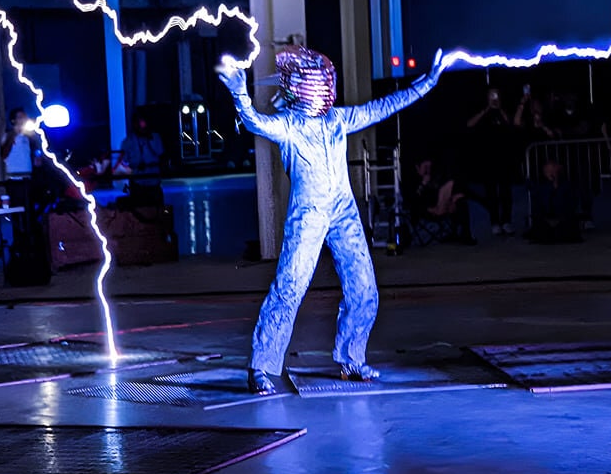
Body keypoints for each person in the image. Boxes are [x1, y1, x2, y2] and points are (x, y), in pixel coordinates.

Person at [217, 45, 447, 395]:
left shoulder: (337, 120)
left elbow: (381, 108)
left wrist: (426, 84)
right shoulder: (289, 126)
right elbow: (254, 122)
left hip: (343, 210)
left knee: (364, 286)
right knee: (289, 287)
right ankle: (261, 367)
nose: (324, 85)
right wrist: (238, 92)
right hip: (308, 214)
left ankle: (352, 359)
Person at [464, 87, 521, 235]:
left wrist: (499, 109)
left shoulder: (503, 111)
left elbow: (512, 124)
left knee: (505, 192)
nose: (494, 98)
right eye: (491, 96)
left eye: (496, 96)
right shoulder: (483, 112)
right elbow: (469, 124)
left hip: (504, 158)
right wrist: (487, 109)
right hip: (488, 159)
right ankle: (495, 222)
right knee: (491, 193)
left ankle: (507, 222)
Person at [408, 158, 471, 244]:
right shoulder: (413, 181)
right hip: (426, 210)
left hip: (441, 205)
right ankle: (462, 234)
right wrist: (423, 184)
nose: (428, 170)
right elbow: (413, 201)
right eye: (425, 167)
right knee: (451, 185)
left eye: (429, 167)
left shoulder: (433, 179)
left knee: (458, 197)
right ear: (417, 167)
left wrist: (451, 200)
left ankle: (463, 234)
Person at [524, 159, 584, 244]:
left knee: (566, 227)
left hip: (563, 218)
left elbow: (570, 204)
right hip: (546, 218)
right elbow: (539, 202)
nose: (550, 173)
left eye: (552, 170)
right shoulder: (541, 187)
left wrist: (556, 186)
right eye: (547, 171)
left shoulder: (567, 185)